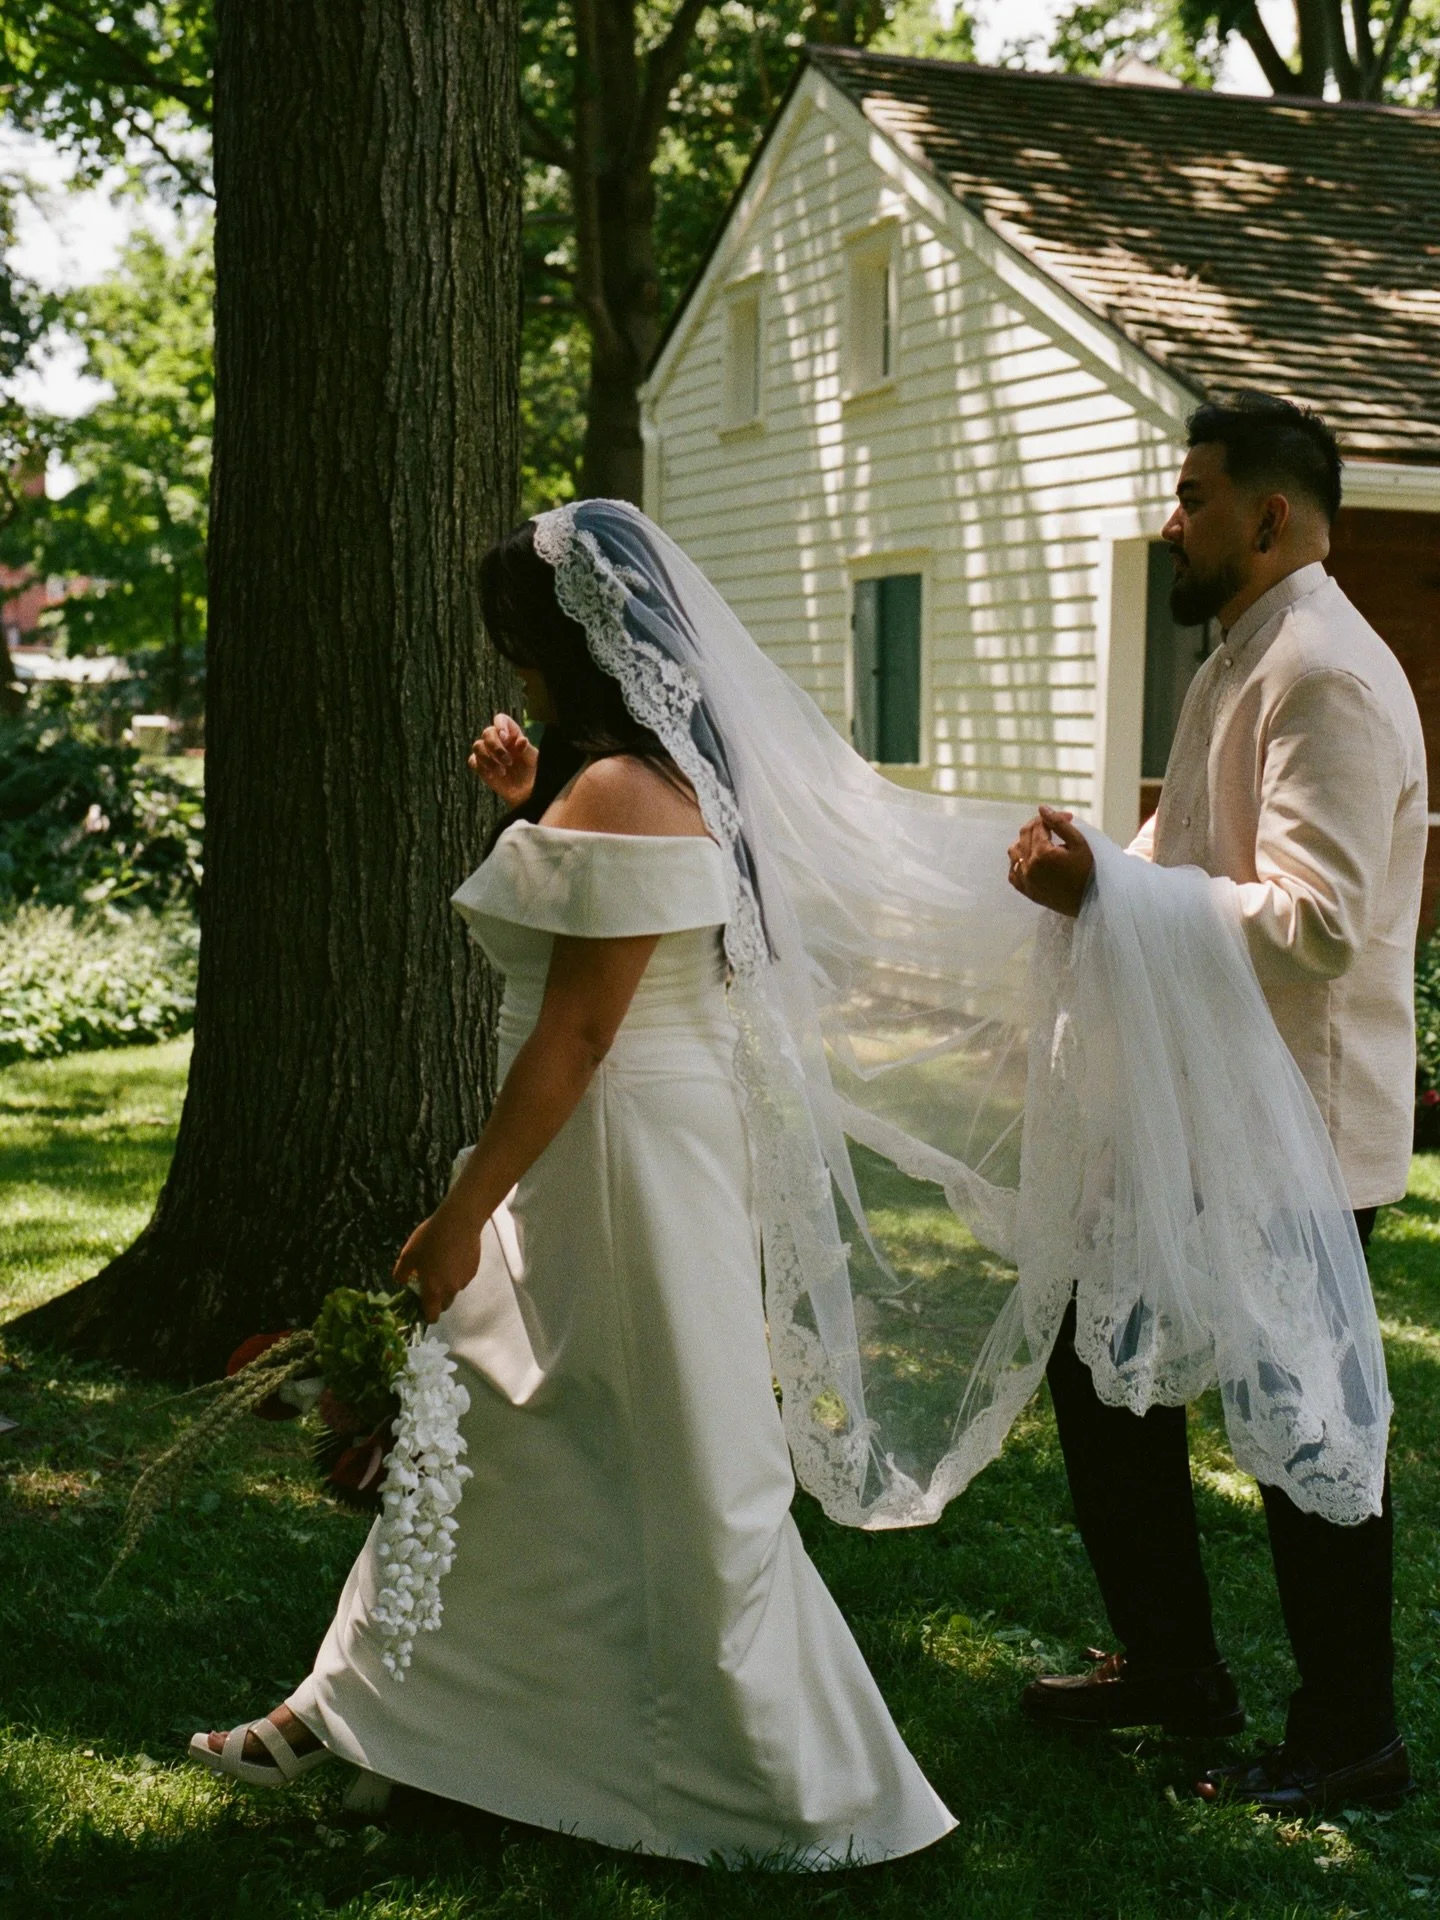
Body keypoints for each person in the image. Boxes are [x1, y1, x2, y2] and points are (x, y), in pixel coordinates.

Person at [189, 512, 957, 1867]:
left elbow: (580, 1031)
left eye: (525, 653)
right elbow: (615, 948)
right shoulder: (670, 780)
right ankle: (372, 1717)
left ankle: (724, 1774)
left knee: (598, 1434)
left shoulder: (618, 795)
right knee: (549, 1432)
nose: (520, 677)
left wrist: (464, 1211)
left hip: (604, 1145)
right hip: (646, 1140)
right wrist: (537, 803)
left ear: (571, 655)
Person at [1007, 392, 1426, 1814]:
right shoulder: (1242, 655)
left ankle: (1351, 1737)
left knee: (1305, 1431)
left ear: (1271, 515)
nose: (1168, 520)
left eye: (1191, 496)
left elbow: (1315, 925)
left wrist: (1112, 892)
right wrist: (1099, 853)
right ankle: (1175, 1666)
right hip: (1207, 1113)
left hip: (1294, 1130)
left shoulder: (1323, 674)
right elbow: (1196, 843)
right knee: (1100, 1362)